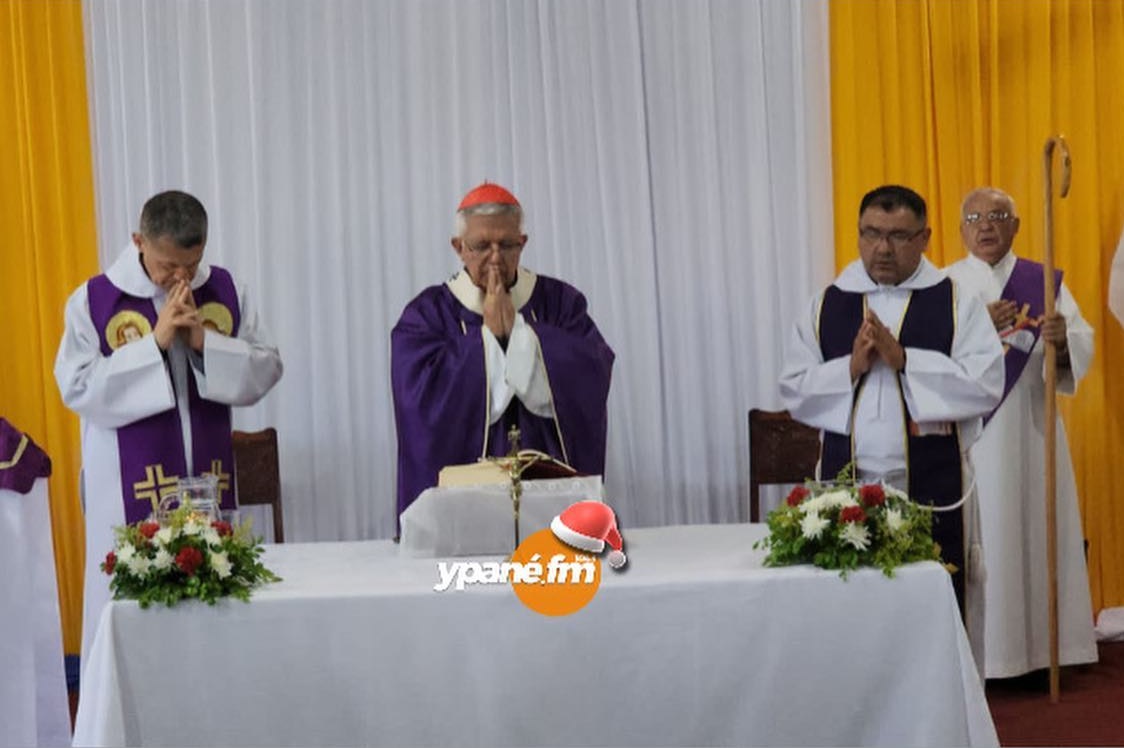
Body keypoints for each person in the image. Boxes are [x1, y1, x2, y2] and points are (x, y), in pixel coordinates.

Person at [54, 190, 283, 664]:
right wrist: (153, 345)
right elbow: (77, 388)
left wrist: (204, 342)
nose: (180, 278)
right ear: (138, 240)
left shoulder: (225, 289)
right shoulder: (94, 300)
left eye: (191, 264)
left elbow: (266, 367)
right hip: (126, 493)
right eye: (167, 265)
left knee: (211, 617)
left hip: (206, 484)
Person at [779, 184, 1004, 658]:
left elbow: (985, 384)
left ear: (925, 237)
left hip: (933, 488)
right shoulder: (827, 303)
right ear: (858, 234)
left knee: (935, 613)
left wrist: (906, 361)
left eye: (899, 236)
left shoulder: (956, 302)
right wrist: (850, 368)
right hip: (849, 487)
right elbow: (794, 389)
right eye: (872, 234)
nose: (882, 248)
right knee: (855, 616)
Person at [945, 186, 1098, 678]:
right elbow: (926, 361)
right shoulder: (946, 284)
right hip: (975, 436)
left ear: (1015, 225)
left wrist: (1061, 340)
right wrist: (975, 331)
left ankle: (1039, 652)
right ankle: (987, 655)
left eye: (996, 215)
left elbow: (1078, 339)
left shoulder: (1041, 279)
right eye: (974, 216)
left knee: (1037, 528)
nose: (985, 225)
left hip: (1033, 429)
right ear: (961, 228)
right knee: (985, 534)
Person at [391, 182, 614, 518]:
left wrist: (524, 337)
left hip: (545, 487)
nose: (495, 257)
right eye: (482, 246)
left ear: (522, 244)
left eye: (506, 245)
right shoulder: (426, 314)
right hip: (462, 505)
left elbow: (593, 369)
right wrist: (487, 339)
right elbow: (417, 396)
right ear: (459, 247)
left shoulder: (560, 303)